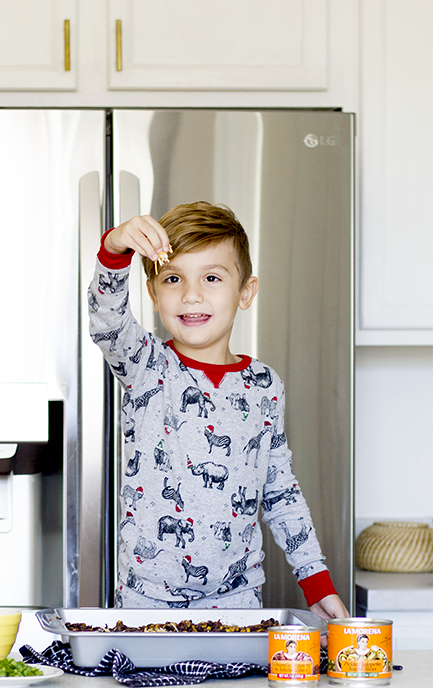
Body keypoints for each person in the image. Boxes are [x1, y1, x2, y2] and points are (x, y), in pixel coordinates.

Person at [88, 201, 349, 622]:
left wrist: (316, 583)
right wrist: (115, 248)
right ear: (154, 295)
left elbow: (280, 492)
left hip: (239, 604)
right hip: (147, 605)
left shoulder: (265, 386)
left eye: (212, 277)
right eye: (173, 278)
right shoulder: (146, 366)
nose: (191, 294)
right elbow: (106, 320)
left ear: (245, 292)